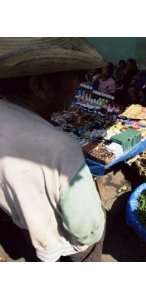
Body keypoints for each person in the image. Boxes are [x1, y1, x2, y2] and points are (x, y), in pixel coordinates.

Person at [0, 38, 106, 262]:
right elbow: (87, 230)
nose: (80, 84)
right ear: (40, 85)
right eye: (78, 75)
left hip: (24, 232)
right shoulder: (60, 147)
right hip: (64, 248)